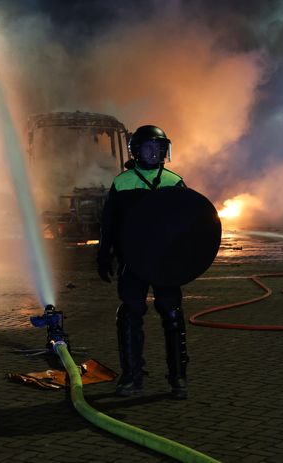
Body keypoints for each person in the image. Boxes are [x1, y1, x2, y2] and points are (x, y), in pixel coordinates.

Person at [97, 125, 189, 400]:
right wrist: (104, 254)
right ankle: (132, 377)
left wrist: (188, 257)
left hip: (166, 262)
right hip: (133, 260)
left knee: (172, 314)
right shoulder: (122, 183)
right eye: (149, 146)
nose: (155, 151)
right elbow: (109, 225)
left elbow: (190, 223)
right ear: (136, 150)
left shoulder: (174, 181)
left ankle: (178, 378)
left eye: (159, 147)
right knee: (130, 314)